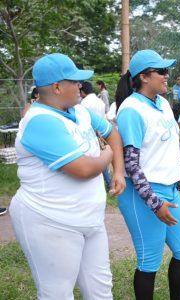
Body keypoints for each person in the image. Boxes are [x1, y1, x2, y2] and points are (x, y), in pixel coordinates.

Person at [9, 53, 125, 299]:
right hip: (50, 221)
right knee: (57, 294)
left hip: (89, 220)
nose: (80, 86)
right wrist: (106, 156)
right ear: (57, 87)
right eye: (74, 81)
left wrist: (119, 171)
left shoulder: (79, 111)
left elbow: (112, 133)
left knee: (101, 291)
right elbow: (83, 169)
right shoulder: (40, 121)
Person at [115, 49, 180, 300]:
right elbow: (131, 164)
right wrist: (154, 203)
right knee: (150, 259)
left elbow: (175, 142)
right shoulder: (131, 110)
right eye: (161, 71)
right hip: (143, 193)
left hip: (169, 189)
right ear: (143, 77)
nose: (167, 76)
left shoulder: (162, 103)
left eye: (167, 71)